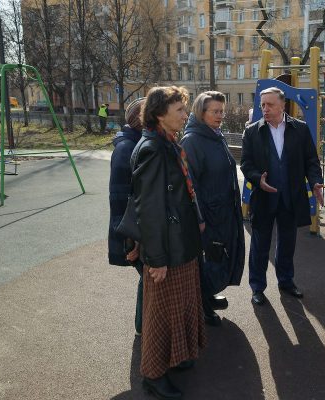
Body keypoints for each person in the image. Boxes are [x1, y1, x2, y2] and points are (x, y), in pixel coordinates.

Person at [131, 86, 205, 400]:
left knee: (180, 306)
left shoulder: (168, 142)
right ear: (160, 113)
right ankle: (153, 376)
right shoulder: (152, 148)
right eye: (180, 110)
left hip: (180, 244)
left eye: (185, 110)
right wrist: (156, 258)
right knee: (160, 315)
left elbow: (181, 192)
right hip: (166, 250)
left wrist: (197, 217)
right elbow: (148, 210)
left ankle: (174, 359)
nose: (186, 115)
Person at [241, 87, 324, 306]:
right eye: (262, 105)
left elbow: (311, 161)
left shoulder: (301, 129)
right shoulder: (252, 131)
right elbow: (246, 164)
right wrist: (258, 179)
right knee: (260, 244)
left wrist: (315, 181)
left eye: (270, 105)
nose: (265, 109)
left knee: (287, 242)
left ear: (282, 106)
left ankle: (286, 281)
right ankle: (257, 287)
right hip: (263, 198)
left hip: (290, 197)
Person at [181, 91, 245, 327]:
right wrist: (200, 217)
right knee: (210, 258)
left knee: (220, 255)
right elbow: (190, 186)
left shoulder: (216, 136)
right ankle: (202, 304)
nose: (220, 115)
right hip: (209, 215)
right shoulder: (192, 141)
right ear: (201, 112)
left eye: (222, 111)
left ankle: (208, 294)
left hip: (224, 211)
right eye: (215, 111)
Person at [107, 97, 146, 336]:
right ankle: (143, 329)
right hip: (133, 231)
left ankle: (146, 328)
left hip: (139, 228)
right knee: (148, 279)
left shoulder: (136, 144)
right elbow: (120, 199)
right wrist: (129, 240)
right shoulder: (126, 150)